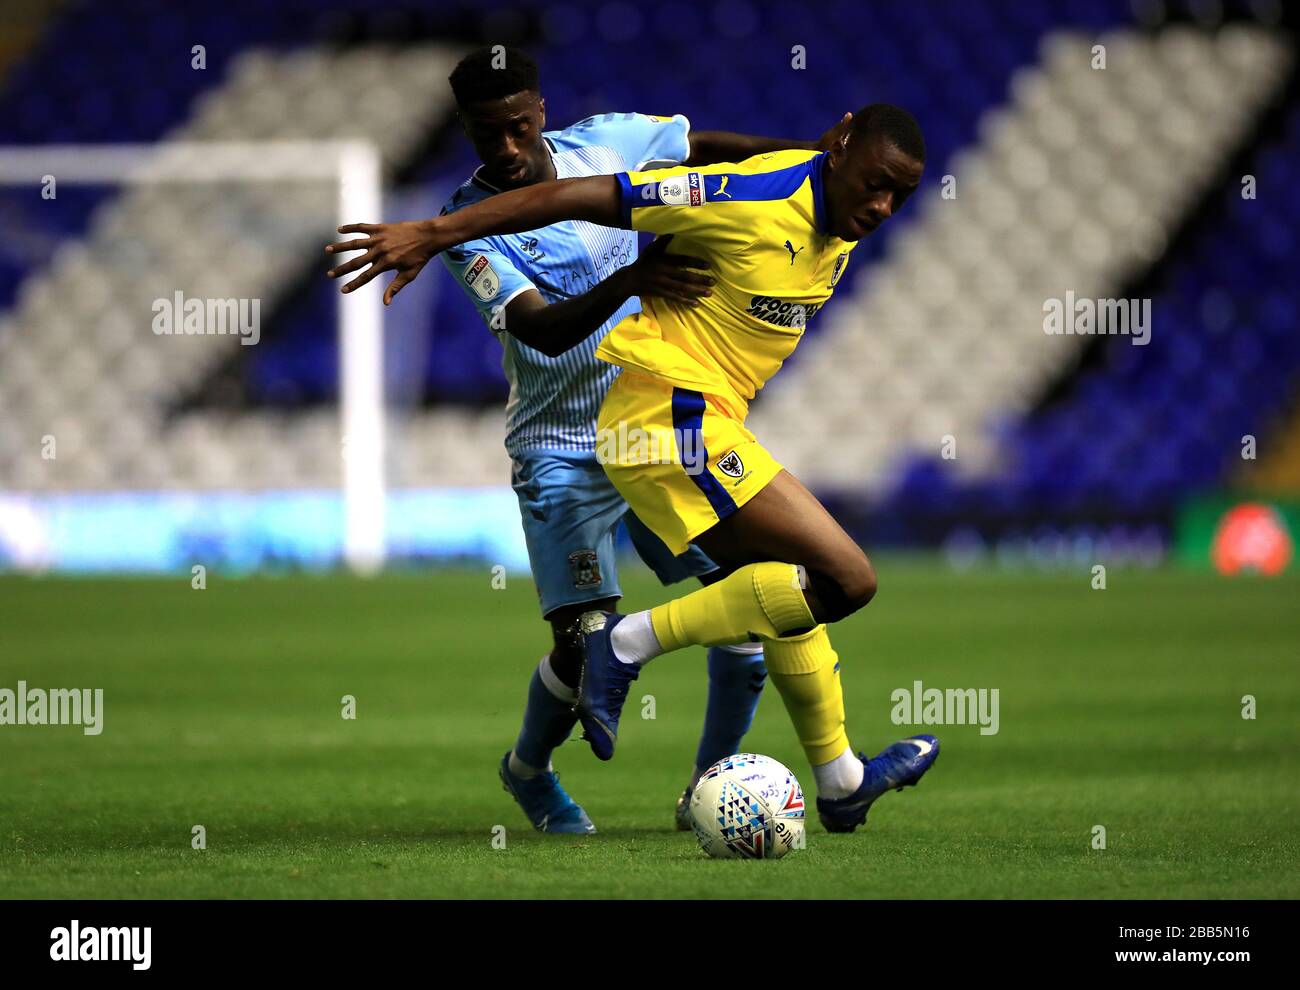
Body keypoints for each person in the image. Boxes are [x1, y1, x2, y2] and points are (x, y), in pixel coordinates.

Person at [326, 102, 939, 834]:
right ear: (840, 151)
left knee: (779, 594)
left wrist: (817, 155)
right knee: (842, 580)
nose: (883, 206)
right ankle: (600, 678)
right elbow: (584, 202)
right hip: (636, 424)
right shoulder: (743, 200)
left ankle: (832, 782)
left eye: (898, 196)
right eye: (873, 184)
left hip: (680, 420)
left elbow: (715, 141)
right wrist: (434, 231)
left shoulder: (827, 206)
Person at [410, 46, 850, 833]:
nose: (506, 149)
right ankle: (528, 773)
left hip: (653, 418)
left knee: (742, 603)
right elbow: (540, 332)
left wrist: (802, 166)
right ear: (467, 133)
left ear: (541, 109)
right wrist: (632, 278)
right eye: (487, 137)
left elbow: (706, 152)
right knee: (583, 652)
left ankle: (709, 791)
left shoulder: (611, 143)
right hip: (559, 448)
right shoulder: (467, 228)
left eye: (516, 127)